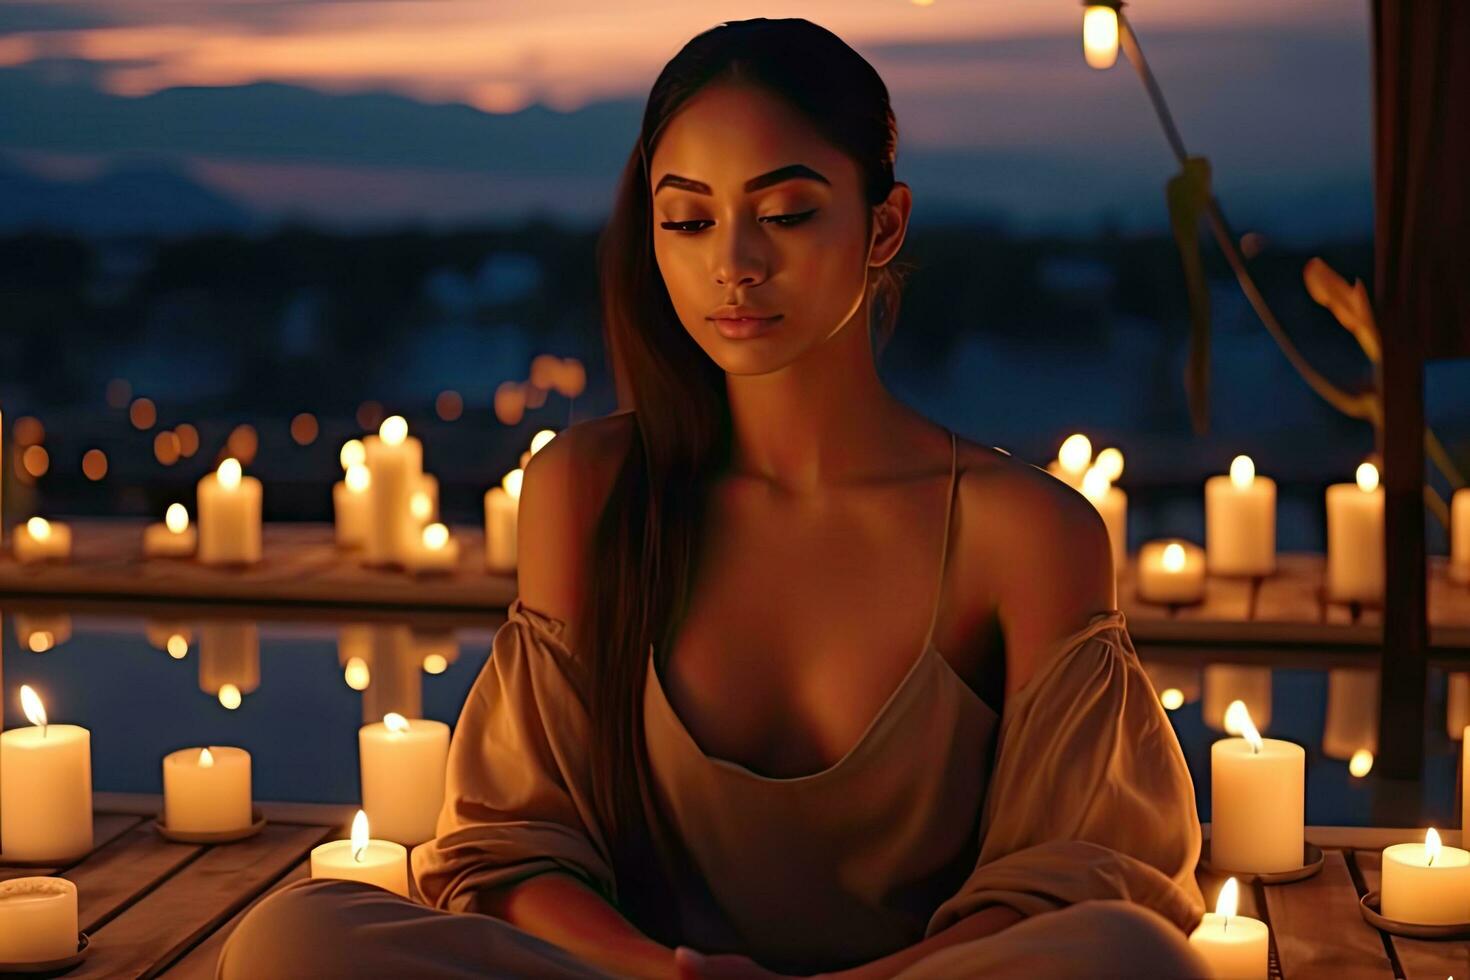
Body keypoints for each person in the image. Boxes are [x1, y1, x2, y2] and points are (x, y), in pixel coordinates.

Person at [219, 17, 1210, 979]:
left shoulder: (1024, 531)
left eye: (784, 214)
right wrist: (666, 972)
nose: (734, 263)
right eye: (688, 220)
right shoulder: (590, 489)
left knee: (1128, 956)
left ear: (883, 225)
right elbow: (516, 846)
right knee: (298, 938)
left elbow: (1073, 879)